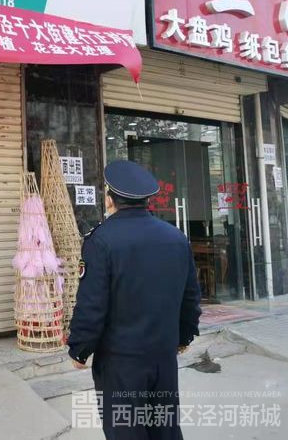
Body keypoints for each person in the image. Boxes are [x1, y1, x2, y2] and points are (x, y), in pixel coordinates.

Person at [67, 160, 202, 440]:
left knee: (126, 431)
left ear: (110, 199)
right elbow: (190, 296)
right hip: (163, 356)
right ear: (147, 200)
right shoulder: (176, 238)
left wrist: (80, 348)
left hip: (120, 362)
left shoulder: (100, 241)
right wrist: (184, 337)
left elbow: (92, 305)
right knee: (165, 429)